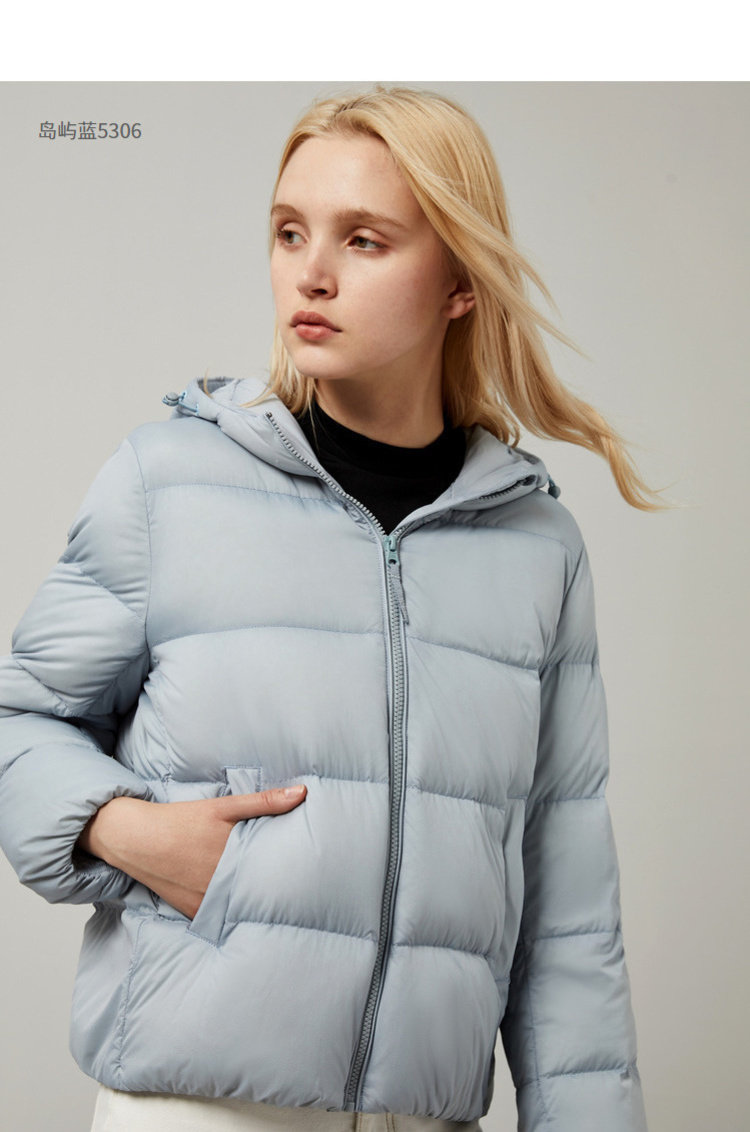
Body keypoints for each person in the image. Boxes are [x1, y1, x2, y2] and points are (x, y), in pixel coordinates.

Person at [0, 87, 657, 1132]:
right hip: (197, 1109)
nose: (311, 273)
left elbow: (567, 908)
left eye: (364, 240)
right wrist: (125, 829)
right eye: (289, 232)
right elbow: (17, 720)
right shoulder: (171, 485)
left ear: (459, 282)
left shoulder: (538, 547)